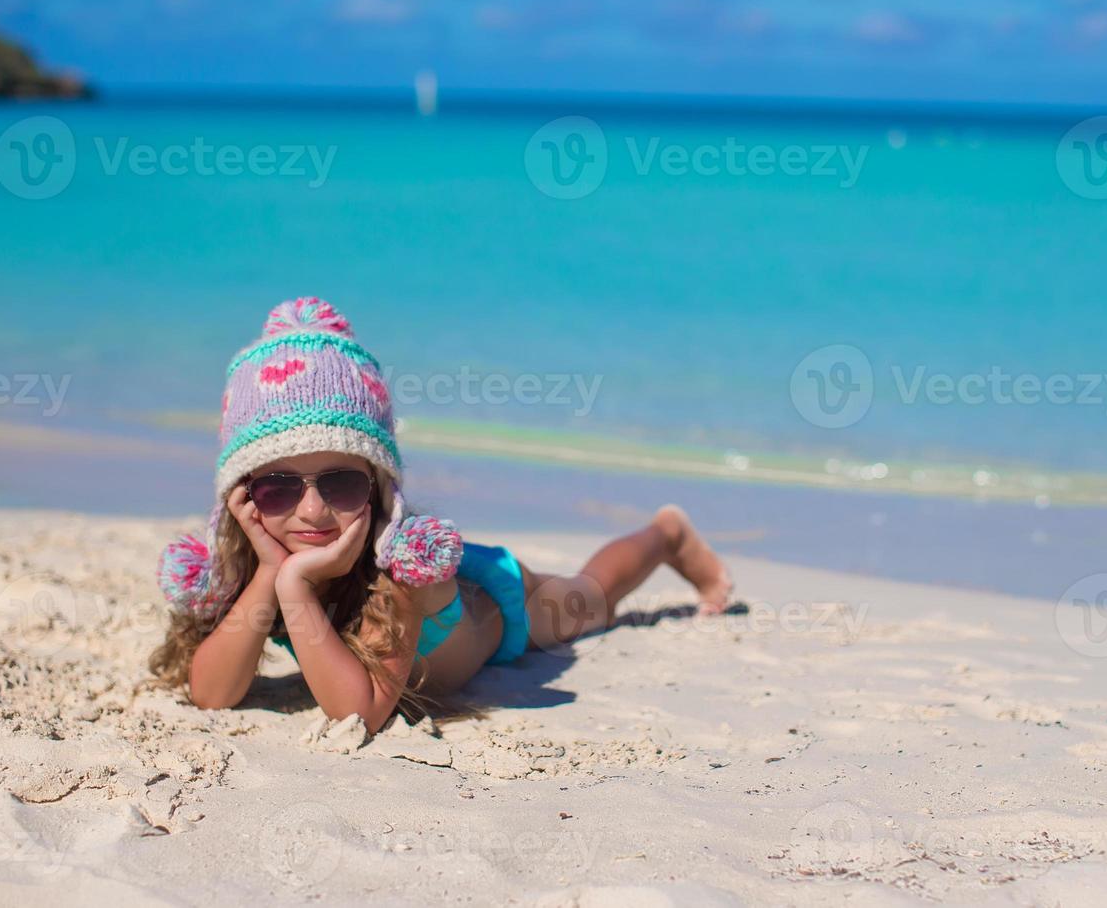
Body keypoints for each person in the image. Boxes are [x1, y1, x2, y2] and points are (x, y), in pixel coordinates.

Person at [147, 297, 733, 733]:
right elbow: (213, 694)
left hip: (501, 609)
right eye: (277, 487)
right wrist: (270, 575)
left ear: (378, 486)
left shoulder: (398, 570)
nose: (312, 509)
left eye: (342, 481)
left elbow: (362, 712)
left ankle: (667, 535)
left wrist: (296, 584)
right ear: (242, 497)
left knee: (594, 600)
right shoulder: (256, 568)